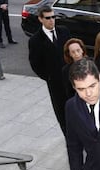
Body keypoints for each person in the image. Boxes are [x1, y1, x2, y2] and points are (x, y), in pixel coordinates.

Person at [28, 5, 70, 135]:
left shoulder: (64, 32)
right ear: (41, 19)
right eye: (48, 18)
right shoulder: (35, 41)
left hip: (71, 80)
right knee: (62, 114)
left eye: (53, 17)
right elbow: (35, 64)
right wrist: (49, 77)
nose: (52, 20)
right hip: (56, 84)